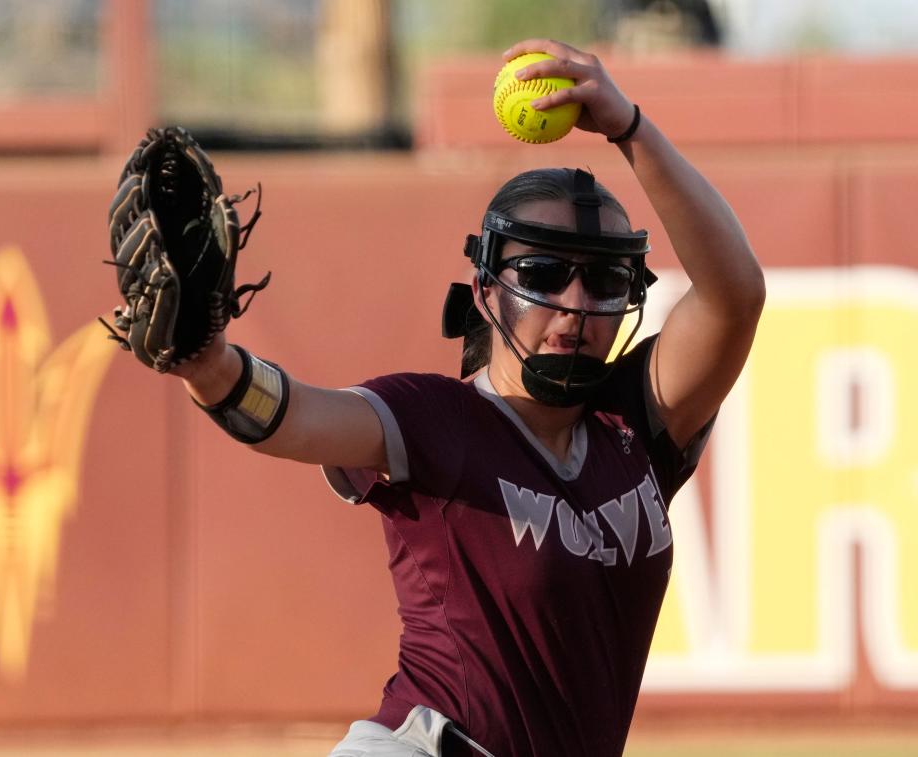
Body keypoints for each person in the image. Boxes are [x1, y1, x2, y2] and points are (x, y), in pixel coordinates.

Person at [173, 39, 764, 757]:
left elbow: (736, 296)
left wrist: (631, 129)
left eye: (606, 282)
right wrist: (208, 365)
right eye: (544, 272)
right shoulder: (441, 420)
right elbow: (293, 415)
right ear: (486, 291)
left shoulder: (637, 423)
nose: (575, 303)